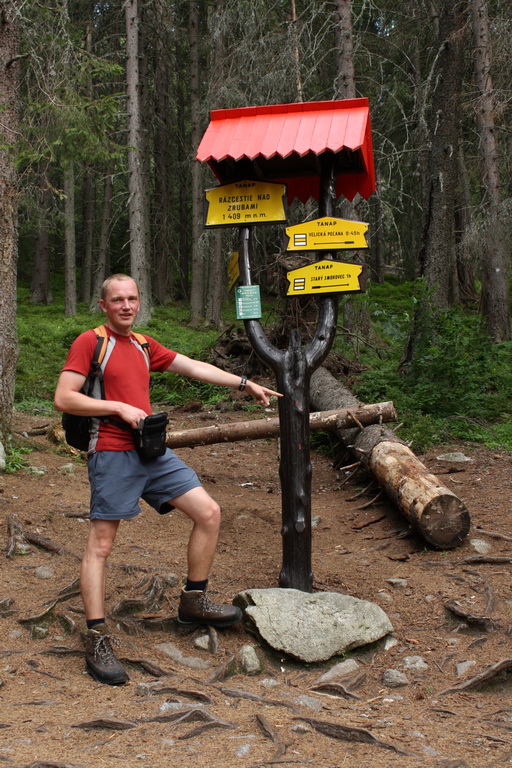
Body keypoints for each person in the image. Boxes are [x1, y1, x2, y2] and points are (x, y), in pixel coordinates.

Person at [54, 273, 280, 686]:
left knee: (209, 512)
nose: (126, 305)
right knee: (101, 544)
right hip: (111, 452)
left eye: (132, 298)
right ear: (103, 305)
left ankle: (193, 602)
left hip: (152, 452)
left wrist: (245, 383)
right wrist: (118, 407)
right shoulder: (92, 342)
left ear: (139, 303)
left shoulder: (142, 345)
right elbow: (64, 397)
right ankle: (97, 637)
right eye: (117, 299)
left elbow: (191, 366)